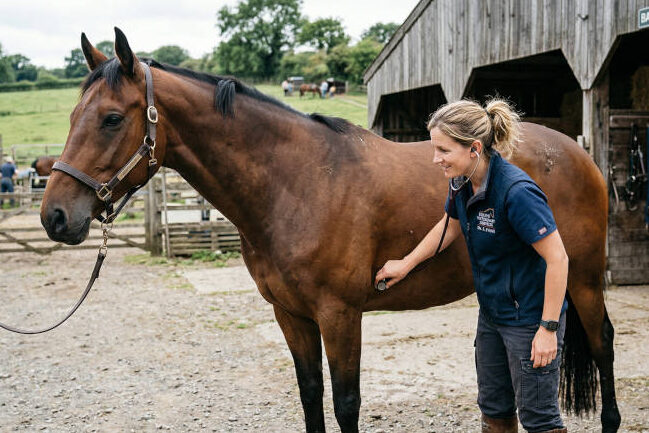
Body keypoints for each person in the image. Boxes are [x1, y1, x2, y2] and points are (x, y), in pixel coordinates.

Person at [375, 99, 569, 433]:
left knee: (540, 420)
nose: (436, 159)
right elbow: (450, 224)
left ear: (474, 148)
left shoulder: (516, 192)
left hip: (529, 319)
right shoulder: (463, 181)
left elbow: (558, 259)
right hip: (492, 315)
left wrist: (547, 329)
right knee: (494, 411)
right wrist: (406, 263)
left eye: (443, 150)